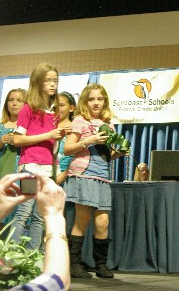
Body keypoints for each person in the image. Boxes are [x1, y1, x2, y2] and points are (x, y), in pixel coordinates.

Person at [63, 83, 126, 279]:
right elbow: (68, 149)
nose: (96, 102)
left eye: (99, 99)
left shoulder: (108, 124)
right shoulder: (80, 121)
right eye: (91, 99)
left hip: (102, 176)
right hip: (84, 174)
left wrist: (119, 153)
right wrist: (89, 140)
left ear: (105, 101)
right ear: (85, 102)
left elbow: (107, 155)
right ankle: (74, 265)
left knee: (103, 222)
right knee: (83, 219)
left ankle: (101, 265)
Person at [11, 63, 64, 250]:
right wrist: (48, 135)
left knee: (40, 216)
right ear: (37, 82)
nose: (52, 84)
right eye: (48, 80)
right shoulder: (28, 108)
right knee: (23, 212)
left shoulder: (54, 111)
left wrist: (56, 138)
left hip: (48, 169)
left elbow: (52, 142)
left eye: (55, 81)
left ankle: (33, 256)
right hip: (30, 167)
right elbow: (17, 140)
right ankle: (11, 255)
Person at [0, 173, 70, 291]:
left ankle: (32, 255)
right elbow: (58, 281)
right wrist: (54, 215)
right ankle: (12, 255)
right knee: (23, 216)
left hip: (45, 168)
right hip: (28, 165)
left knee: (37, 219)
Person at [0, 88, 26, 230]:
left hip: (23, 173)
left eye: (19, 100)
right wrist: (1, 142)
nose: (14, 104)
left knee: (21, 214)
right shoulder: (0, 124)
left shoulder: (28, 126)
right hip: (1, 172)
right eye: (11, 99)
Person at [55, 92, 76, 185]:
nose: (57, 109)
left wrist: (65, 173)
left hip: (68, 178)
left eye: (61, 105)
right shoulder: (47, 128)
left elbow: (79, 154)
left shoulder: (76, 128)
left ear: (71, 108)